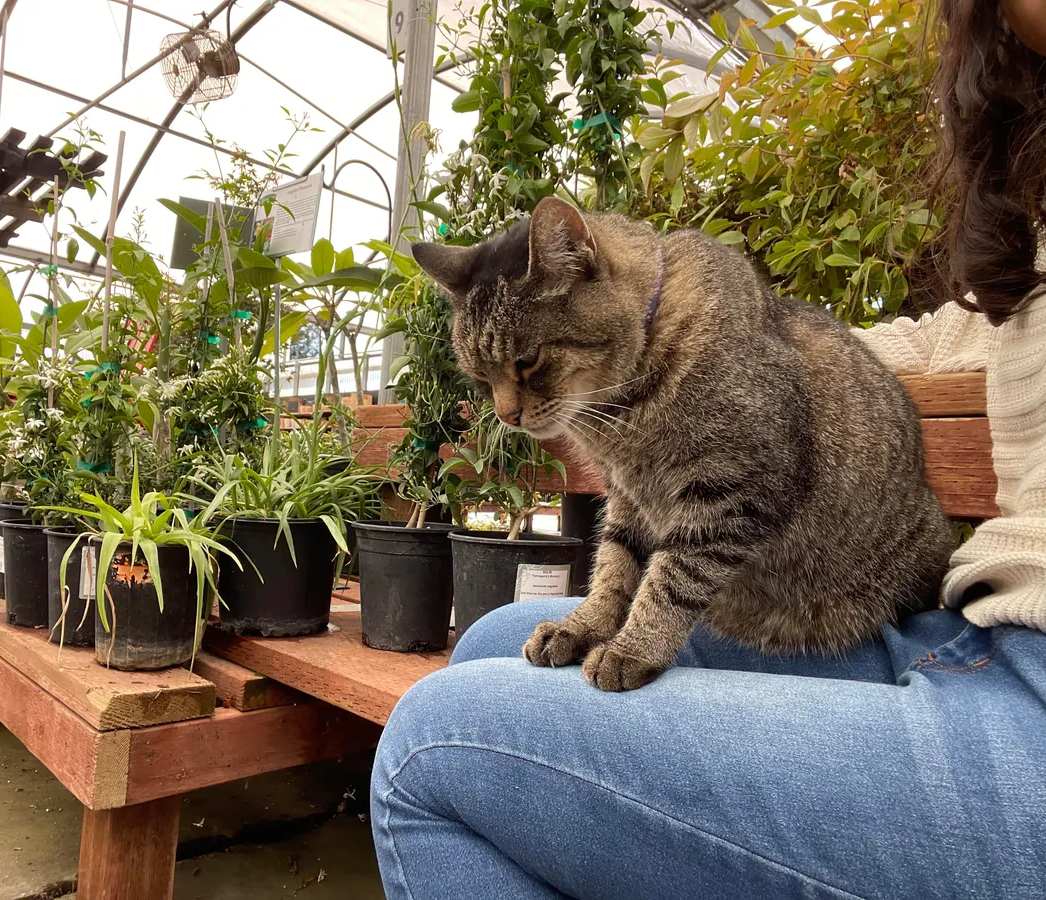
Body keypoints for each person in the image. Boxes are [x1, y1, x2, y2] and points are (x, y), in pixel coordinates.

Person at [369, 2, 1046, 897]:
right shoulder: (651, 336)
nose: (510, 408)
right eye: (491, 382)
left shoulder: (675, 324)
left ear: (583, 264)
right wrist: (780, 348)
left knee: (425, 747)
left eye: (527, 370)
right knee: (496, 642)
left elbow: (733, 504)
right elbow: (639, 509)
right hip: (971, 634)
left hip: (864, 609)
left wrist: (639, 632)